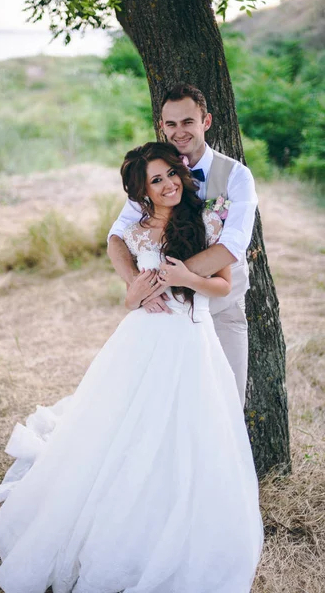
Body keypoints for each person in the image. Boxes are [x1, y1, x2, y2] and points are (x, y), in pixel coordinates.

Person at [0, 142, 263, 593]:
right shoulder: (135, 231)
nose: (169, 183)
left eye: (171, 174)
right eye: (156, 181)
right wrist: (139, 292)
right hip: (143, 340)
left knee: (190, 429)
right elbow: (128, 298)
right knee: (129, 426)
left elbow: (220, 285)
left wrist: (186, 278)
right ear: (142, 192)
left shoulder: (205, 222)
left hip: (192, 341)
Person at [108, 84, 258, 406]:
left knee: (225, 406)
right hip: (167, 321)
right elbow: (117, 237)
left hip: (221, 309)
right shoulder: (153, 173)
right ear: (161, 126)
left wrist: (166, 283)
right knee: (166, 407)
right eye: (171, 124)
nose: (179, 132)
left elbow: (231, 247)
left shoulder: (236, 176)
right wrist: (138, 285)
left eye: (188, 121)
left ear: (205, 122)